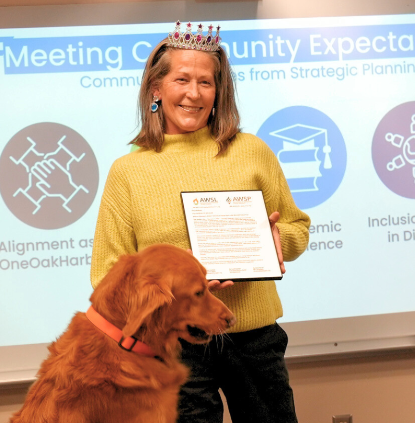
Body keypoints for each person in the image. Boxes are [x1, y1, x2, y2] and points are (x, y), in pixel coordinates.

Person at [90, 21, 310, 423]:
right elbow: (108, 276)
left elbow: (297, 229)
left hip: (254, 335)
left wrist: (277, 239)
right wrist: (174, 282)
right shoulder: (128, 172)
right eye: (182, 79)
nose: (194, 93)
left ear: (218, 91)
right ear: (156, 88)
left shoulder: (252, 151)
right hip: (173, 343)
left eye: (206, 82)